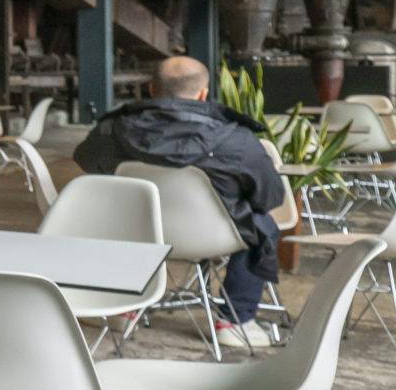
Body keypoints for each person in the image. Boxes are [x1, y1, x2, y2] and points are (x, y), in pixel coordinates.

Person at [73, 54, 287, 349]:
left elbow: (85, 161)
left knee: (109, 211)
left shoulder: (112, 130)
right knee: (263, 225)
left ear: (151, 89)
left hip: (136, 234)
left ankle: (123, 306)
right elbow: (270, 197)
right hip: (215, 238)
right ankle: (234, 320)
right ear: (203, 94)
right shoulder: (237, 139)